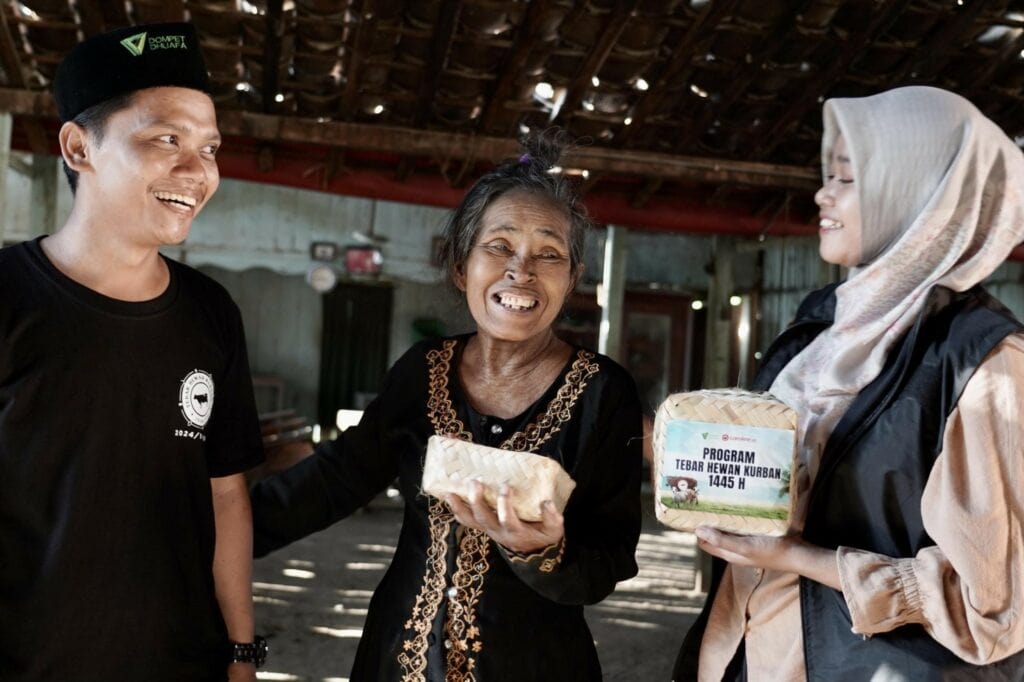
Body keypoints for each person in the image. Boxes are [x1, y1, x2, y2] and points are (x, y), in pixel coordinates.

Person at [250, 134, 643, 681]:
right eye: (499, 246)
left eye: (548, 253)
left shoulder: (605, 394)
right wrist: (202, 533)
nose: (521, 269)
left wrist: (544, 551)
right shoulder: (422, 370)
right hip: (400, 660)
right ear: (461, 267)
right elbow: (333, 481)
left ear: (572, 279)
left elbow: (609, 560)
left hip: (534, 666)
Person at [674, 86, 1024, 681]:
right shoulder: (820, 327)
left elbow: (992, 603)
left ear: (918, 197)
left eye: (845, 179)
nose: (821, 193)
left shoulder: (987, 361)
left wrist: (797, 557)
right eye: (827, 176)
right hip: (744, 650)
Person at [0, 24, 266, 681]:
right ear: (78, 146)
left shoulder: (210, 314)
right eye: (165, 138)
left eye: (208, 147)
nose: (197, 170)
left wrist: (239, 652)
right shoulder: (5, 297)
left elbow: (225, 493)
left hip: (180, 663)